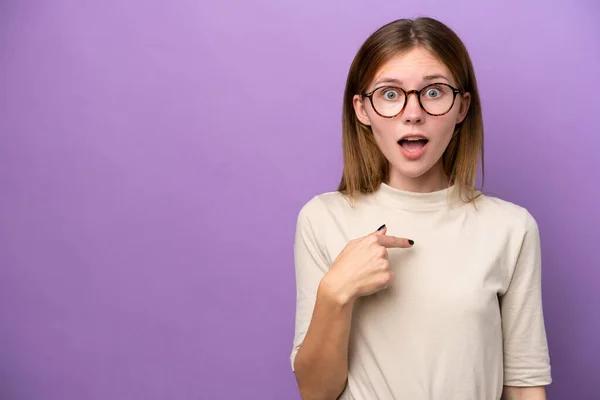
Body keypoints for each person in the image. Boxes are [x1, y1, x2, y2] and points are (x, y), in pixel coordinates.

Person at [289, 17, 552, 400]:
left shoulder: (511, 228)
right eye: (390, 94)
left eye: (433, 92)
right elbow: (315, 392)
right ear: (362, 110)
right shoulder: (322, 219)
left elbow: (525, 386)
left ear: (462, 107)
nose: (413, 112)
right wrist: (335, 292)